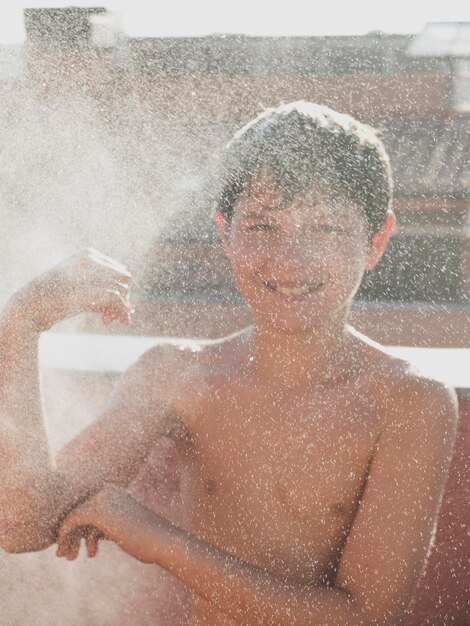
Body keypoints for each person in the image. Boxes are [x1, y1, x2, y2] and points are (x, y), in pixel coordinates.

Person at [0, 101, 458, 626]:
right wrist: (20, 324)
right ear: (225, 233)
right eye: (263, 226)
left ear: (376, 239)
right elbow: (25, 522)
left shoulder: (407, 402)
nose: (291, 258)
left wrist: (156, 539)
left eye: (327, 227)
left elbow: (364, 617)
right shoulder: (175, 377)